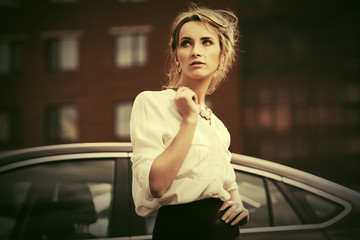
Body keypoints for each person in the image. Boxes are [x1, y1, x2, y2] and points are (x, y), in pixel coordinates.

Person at [130, 3, 249, 240]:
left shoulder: (219, 127)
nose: (196, 51)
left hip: (224, 232)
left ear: (222, 55)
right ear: (176, 56)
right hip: (177, 231)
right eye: (186, 43)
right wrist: (189, 119)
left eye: (206, 42)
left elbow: (229, 186)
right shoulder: (151, 103)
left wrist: (239, 208)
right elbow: (157, 185)